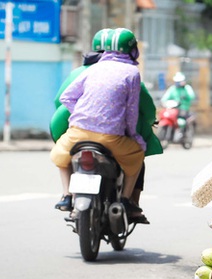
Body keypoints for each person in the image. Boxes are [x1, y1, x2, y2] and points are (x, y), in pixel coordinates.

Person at [50, 28, 161, 224]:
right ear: (133, 50)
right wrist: (133, 135)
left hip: (77, 133)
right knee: (136, 157)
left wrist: (81, 114)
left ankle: (66, 195)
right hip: (110, 137)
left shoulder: (91, 69)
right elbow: (132, 110)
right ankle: (127, 200)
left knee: (60, 155)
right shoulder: (132, 73)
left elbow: (64, 97)